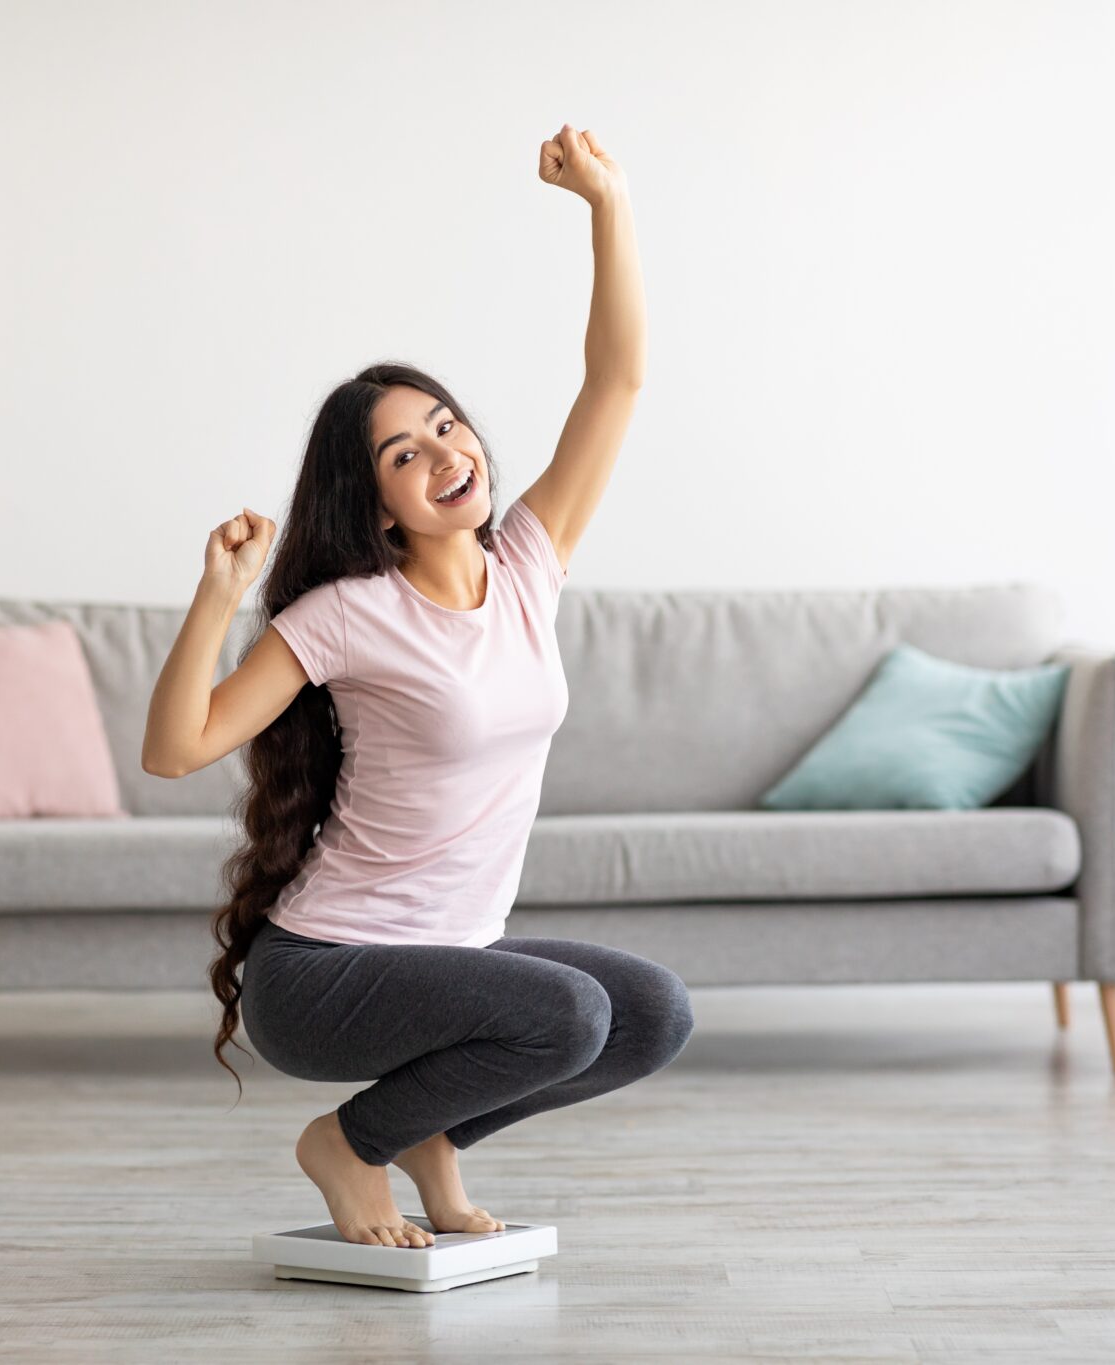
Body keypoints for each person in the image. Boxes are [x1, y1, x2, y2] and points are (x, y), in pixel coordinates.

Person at [144, 125, 690, 1249]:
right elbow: (176, 747)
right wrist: (218, 593)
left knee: (645, 1014)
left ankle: (427, 1133)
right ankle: (349, 1148)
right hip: (325, 977)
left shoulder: (528, 565)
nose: (444, 453)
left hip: (448, 964)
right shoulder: (348, 613)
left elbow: (618, 376)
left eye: (444, 426)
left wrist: (608, 202)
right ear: (377, 501)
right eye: (403, 453)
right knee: (572, 1012)